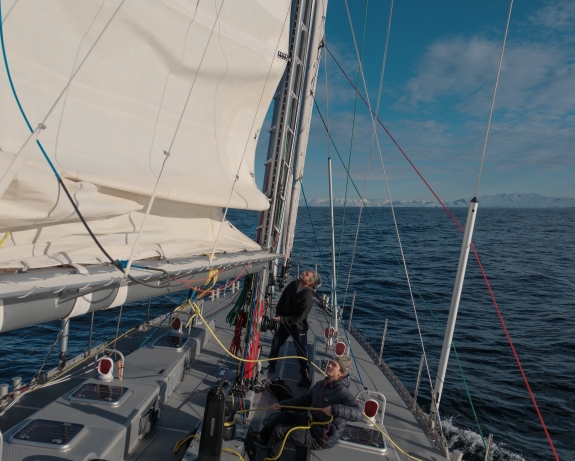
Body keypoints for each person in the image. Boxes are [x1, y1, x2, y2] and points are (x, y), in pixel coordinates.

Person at [255, 356, 363, 460]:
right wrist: (281, 405)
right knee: (284, 415)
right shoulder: (321, 385)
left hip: (321, 437)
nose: (329, 365)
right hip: (313, 424)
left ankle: (271, 459)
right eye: (330, 363)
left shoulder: (342, 393)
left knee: (279, 431)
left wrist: (334, 409)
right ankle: (262, 439)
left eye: (333, 365)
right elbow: (302, 401)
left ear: (341, 374)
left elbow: (358, 414)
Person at [267, 270, 320, 387]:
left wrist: (282, 319)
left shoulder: (308, 297)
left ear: (310, 282)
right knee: (276, 343)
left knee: (301, 352)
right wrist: (278, 313)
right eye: (305, 272)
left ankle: (305, 376)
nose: (303, 273)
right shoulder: (293, 285)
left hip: (298, 327)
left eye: (307, 274)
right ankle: (271, 365)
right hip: (284, 323)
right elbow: (283, 299)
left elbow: (299, 318)